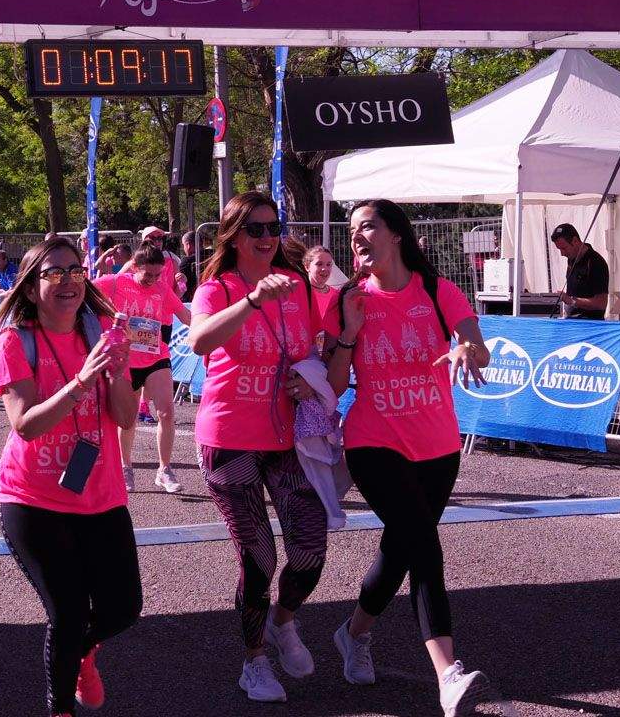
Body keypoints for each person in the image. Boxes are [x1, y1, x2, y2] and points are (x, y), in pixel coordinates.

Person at [326, 199, 497, 715]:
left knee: (400, 550)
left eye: (368, 226)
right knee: (425, 547)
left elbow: (478, 346)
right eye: (352, 230)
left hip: (438, 448)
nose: (357, 237)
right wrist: (350, 331)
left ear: (395, 234)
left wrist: (468, 348)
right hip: (373, 443)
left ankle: (353, 633)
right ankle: (448, 674)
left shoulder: (437, 291)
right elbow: (334, 386)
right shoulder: (349, 299)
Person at [0, 236, 140, 717]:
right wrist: (79, 383)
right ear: (31, 289)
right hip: (33, 498)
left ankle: (83, 651)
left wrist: (117, 370)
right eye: (53, 273)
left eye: (75, 270)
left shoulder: (101, 336)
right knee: (68, 612)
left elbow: (125, 417)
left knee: (123, 608)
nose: (68, 280)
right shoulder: (17, 340)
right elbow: (26, 424)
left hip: (101, 494)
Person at [187, 191, 327, 703]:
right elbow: (200, 341)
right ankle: (253, 661)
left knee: (310, 550)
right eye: (256, 230)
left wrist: (311, 380)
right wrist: (251, 301)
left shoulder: (297, 287)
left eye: (273, 228)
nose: (268, 238)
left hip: (286, 437)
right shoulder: (217, 287)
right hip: (229, 440)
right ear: (234, 237)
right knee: (259, 558)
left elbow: (315, 350)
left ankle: (282, 621)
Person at [96, 244, 192, 494]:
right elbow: (84, 291)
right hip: (125, 362)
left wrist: (214, 329)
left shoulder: (161, 288)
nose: (153, 280)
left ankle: (164, 469)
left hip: (156, 357)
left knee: (166, 413)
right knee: (127, 421)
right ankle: (125, 467)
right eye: (148, 274)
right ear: (135, 267)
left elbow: (185, 315)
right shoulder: (115, 282)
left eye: (158, 275)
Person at [550, 223, 609, 320]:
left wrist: (572, 301)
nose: (562, 253)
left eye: (564, 248)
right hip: (572, 322)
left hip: (589, 325)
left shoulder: (596, 262)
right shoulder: (571, 259)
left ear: (575, 241)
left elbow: (601, 303)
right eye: (559, 249)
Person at [303, 246, 341, 342]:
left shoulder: (336, 295)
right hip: (307, 349)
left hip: (328, 350)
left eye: (328, 265)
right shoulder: (301, 293)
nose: (325, 269)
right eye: (319, 264)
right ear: (307, 267)